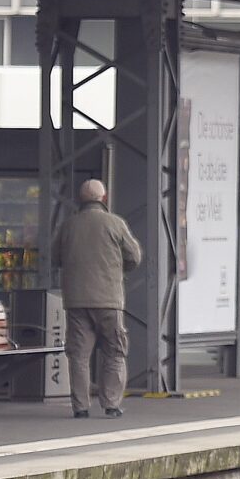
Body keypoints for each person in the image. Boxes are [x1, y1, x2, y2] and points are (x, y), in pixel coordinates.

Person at [54, 179, 143, 418]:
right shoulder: (115, 224)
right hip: (108, 299)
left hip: (76, 301)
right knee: (114, 351)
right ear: (104, 199)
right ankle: (111, 403)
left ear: (80, 199)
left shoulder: (68, 226)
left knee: (79, 355)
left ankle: (81, 407)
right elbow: (134, 257)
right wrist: (116, 270)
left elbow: (55, 257)